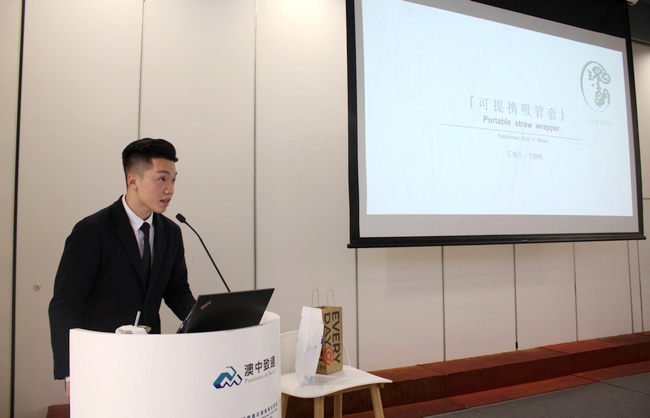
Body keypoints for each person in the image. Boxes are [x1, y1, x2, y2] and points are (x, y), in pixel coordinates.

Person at [48, 138, 196, 400]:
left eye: (173, 180)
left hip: (150, 357)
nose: (170, 190)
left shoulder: (171, 232)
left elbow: (176, 292)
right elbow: (65, 306)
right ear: (133, 179)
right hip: (100, 359)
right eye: (161, 179)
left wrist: (205, 320)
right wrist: (71, 371)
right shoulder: (93, 231)